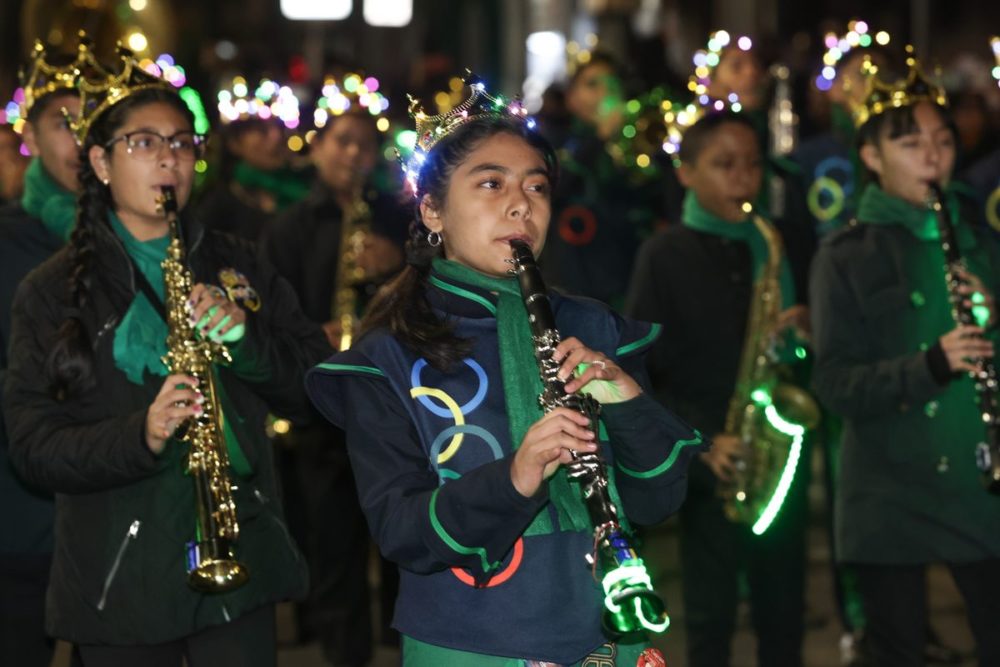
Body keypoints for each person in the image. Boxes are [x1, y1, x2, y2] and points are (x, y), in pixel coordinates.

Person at [305, 78, 703, 666]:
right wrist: (516, 474)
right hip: (471, 643)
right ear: (432, 209)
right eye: (491, 183)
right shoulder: (385, 357)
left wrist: (627, 400)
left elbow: (658, 499)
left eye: (536, 187)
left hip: (608, 635)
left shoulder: (594, 330)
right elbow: (401, 530)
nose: (522, 204)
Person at [3, 45, 326, 666]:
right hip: (120, 579)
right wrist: (140, 435)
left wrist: (247, 343)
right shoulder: (49, 289)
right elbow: (32, 445)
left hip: (241, 558)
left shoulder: (240, 261)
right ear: (99, 162)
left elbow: (316, 389)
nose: (169, 159)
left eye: (182, 142)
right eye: (144, 142)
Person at [810, 50, 1000, 667]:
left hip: (980, 484)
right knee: (896, 651)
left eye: (943, 141)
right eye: (912, 143)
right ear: (871, 157)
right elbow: (836, 385)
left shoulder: (983, 243)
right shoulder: (844, 255)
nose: (933, 157)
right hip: (888, 492)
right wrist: (931, 364)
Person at [626, 110, 813, 667]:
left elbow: (794, 360)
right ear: (685, 173)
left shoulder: (772, 242)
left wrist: (800, 337)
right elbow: (637, 374)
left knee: (786, 615)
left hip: (778, 456)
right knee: (711, 622)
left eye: (753, 165)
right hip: (710, 462)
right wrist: (702, 441)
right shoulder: (664, 256)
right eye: (724, 164)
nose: (743, 178)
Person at [261, 76, 407, 666]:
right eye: (342, 142)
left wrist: (398, 261)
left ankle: (403, 646)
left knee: (401, 547)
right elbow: (269, 312)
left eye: (365, 146)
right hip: (323, 417)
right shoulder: (291, 227)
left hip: (393, 407)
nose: (353, 155)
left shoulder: (400, 221)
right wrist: (311, 334)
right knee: (335, 551)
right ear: (317, 147)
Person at [0, 39, 86, 667]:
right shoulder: (9, 240)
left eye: (93, 121)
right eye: (64, 122)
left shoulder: (147, 241)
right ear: (30, 133)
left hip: (117, 500)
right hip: (19, 501)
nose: (79, 138)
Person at [539, 52, 676, 309]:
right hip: (577, 280)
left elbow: (663, 201)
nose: (605, 92)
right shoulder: (554, 138)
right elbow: (556, 186)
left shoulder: (635, 139)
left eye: (612, 84)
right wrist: (600, 138)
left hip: (631, 276)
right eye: (592, 84)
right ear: (572, 98)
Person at [195, 77, 309, 243]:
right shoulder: (217, 207)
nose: (276, 137)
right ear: (234, 143)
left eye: (279, 127)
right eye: (261, 130)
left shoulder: (307, 193)